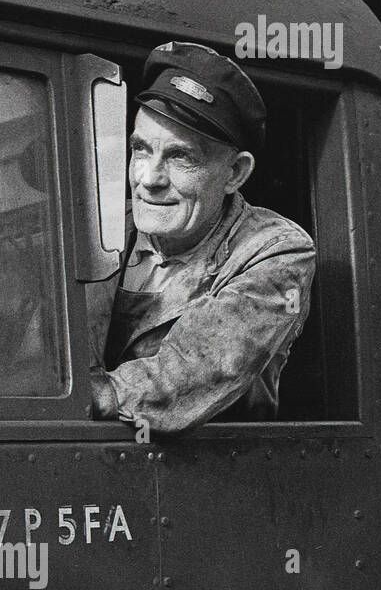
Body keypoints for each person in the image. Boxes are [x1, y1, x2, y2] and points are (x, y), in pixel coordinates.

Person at [89, 41, 316, 433]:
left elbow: (196, 370)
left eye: (180, 158)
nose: (148, 179)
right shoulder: (102, 225)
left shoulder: (277, 250)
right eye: (140, 150)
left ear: (235, 174)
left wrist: (83, 395)